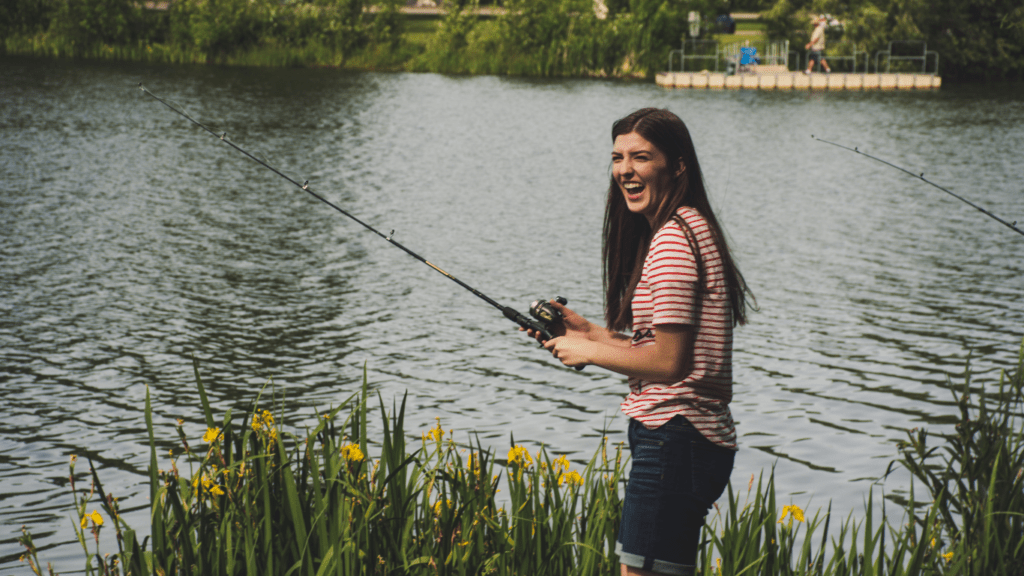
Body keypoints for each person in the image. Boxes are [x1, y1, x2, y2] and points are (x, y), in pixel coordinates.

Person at [527, 108, 753, 576]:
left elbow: (670, 363)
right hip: (688, 437)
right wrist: (590, 333)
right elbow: (660, 344)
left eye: (641, 157)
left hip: (675, 436)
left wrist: (589, 352)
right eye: (617, 158)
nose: (624, 169)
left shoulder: (672, 241)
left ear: (678, 164)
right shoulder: (691, 225)